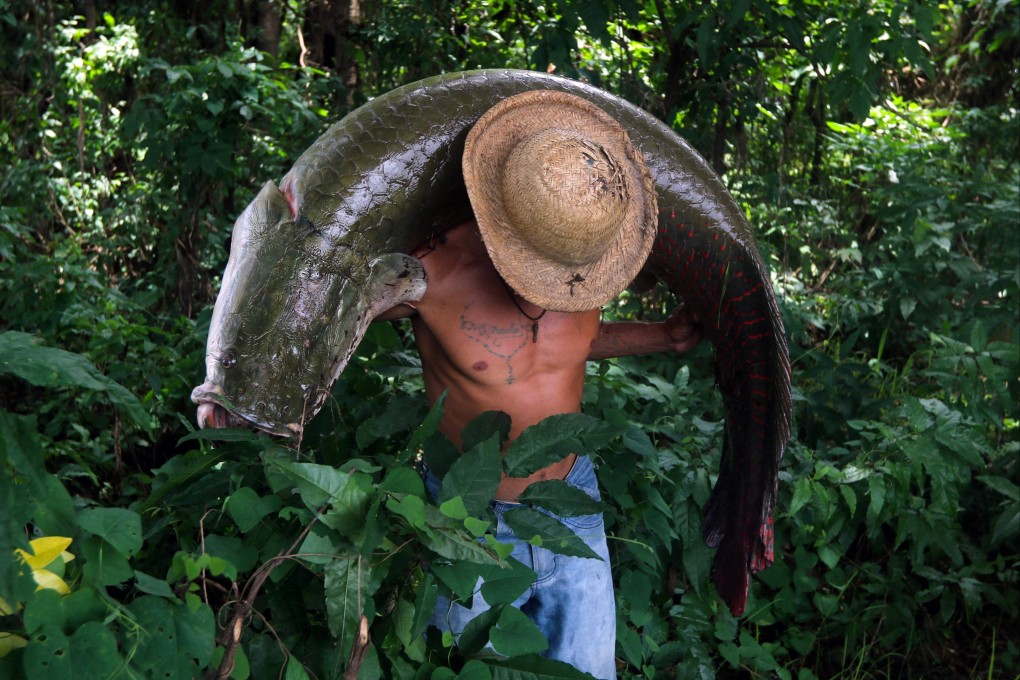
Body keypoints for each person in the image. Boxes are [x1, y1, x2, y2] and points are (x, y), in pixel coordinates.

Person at [375, 91, 700, 679]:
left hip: (569, 501)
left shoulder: (590, 246)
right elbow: (319, 312)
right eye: (537, 269)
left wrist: (660, 336)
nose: (555, 292)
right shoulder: (430, 268)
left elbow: (561, 350)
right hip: (467, 511)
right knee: (461, 668)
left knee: (589, 669)